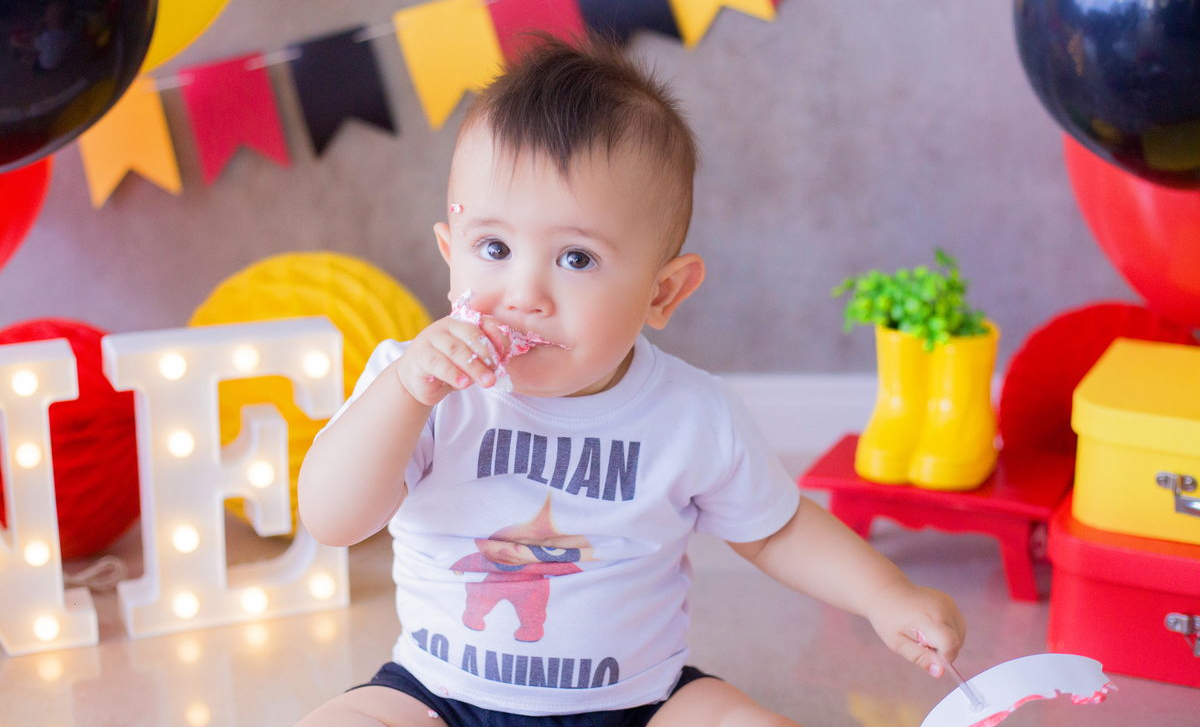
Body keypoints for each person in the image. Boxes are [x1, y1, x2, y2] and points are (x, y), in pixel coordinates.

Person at [296, 37, 966, 727]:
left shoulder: (690, 414)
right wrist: (406, 394)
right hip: (437, 697)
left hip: (638, 705)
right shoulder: (416, 388)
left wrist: (886, 593)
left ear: (662, 293)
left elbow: (776, 531)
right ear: (450, 254)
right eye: (492, 248)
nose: (523, 293)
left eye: (577, 258)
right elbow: (333, 518)